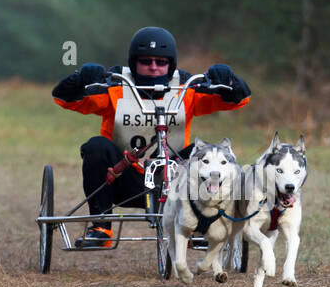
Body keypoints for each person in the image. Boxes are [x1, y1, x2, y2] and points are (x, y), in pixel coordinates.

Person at [52, 26, 251, 247]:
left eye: (161, 62)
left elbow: (239, 100)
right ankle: (101, 227)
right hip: (121, 178)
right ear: (134, 62)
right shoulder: (115, 85)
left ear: (171, 64)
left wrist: (228, 78)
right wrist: (80, 79)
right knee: (96, 146)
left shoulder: (186, 87)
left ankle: (198, 227)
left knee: (206, 153)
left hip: (175, 179)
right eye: (146, 62)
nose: (154, 68)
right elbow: (64, 99)